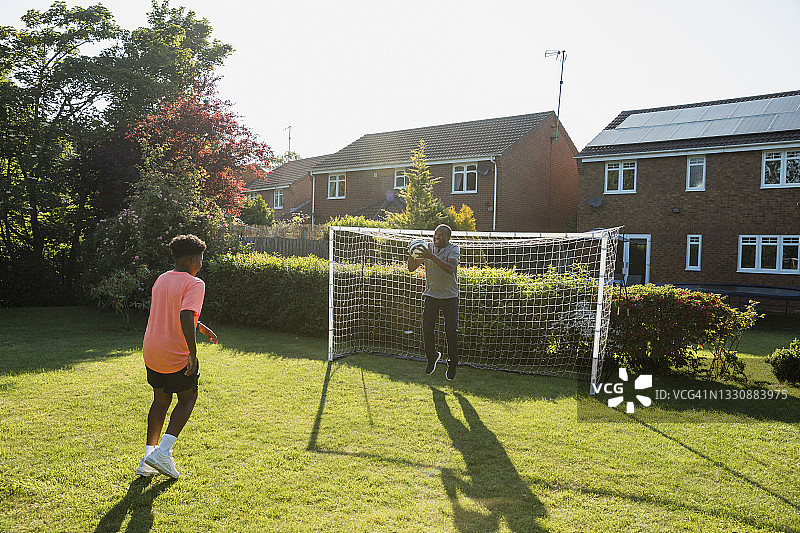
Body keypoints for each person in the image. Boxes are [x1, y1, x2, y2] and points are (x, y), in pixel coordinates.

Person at [137, 234, 217, 478]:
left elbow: (172, 311)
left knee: (160, 401)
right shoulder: (195, 283)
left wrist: (199, 325)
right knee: (187, 398)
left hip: (152, 350)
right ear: (193, 259)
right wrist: (192, 353)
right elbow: (183, 315)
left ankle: (148, 460)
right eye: (201, 259)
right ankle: (163, 452)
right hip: (174, 353)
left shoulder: (161, 279)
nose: (202, 264)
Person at [408, 224, 460, 380]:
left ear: (448, 237)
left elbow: (450, 268)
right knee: (427, 329)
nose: (437, 237)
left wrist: (430, 256)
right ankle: (432, 357)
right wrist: (412, 253)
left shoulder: (453, 249)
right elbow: (411, 268)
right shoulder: (426, 247)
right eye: (435, 234)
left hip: (450, 297)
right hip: (431, 295)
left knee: (451, 332)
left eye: (441, 235)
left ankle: (452, 363)